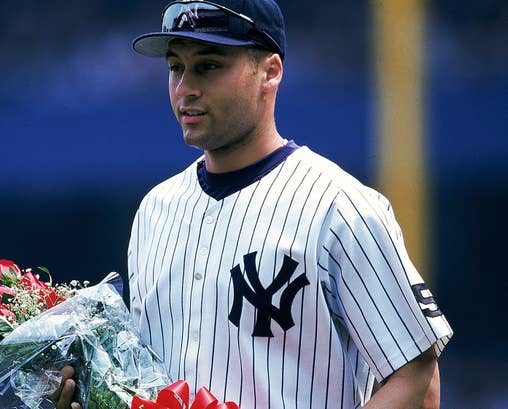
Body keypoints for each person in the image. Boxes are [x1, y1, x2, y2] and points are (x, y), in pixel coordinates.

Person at [53, 1, 453, 408]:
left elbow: (417, 377)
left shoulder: (341, 208)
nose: (185, 87)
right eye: (176, 67)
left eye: (208, 66)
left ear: (270, 71)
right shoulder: (155, 210)